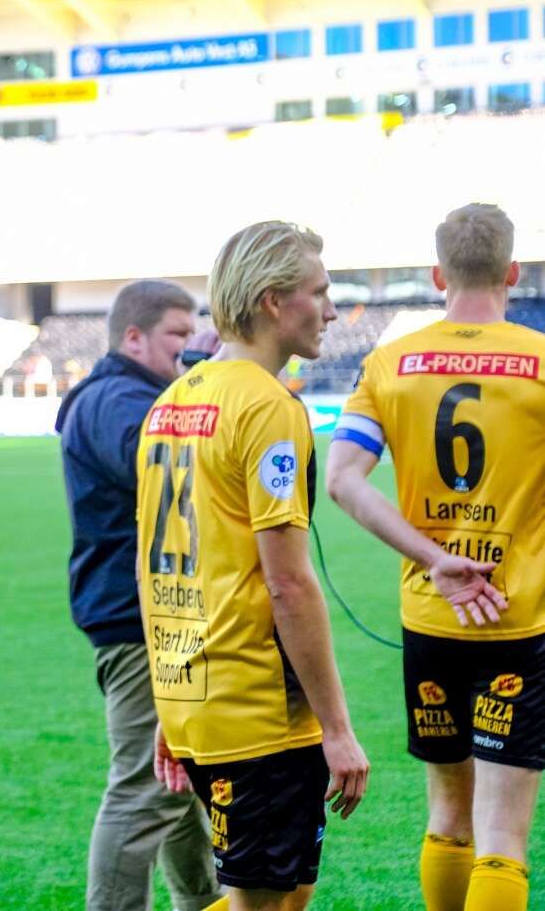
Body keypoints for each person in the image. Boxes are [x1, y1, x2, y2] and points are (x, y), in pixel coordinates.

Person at [139, 221, 369, 911]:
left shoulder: (171, 402)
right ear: (273, 301)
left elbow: (156, 567)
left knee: (287, 889)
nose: (330, 311)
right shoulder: (268, 408)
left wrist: (172, 693)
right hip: (255, 710)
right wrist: (337, 728)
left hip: (197, 694)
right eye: (318, 293)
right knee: (265, 900)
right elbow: (288, 582)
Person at [327, 203, 532, 911]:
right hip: (519, 613)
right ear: (512, 272)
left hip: (432, 611)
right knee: (502, 835)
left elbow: (343, 480)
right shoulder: (540, 362)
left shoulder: (389, 362)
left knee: (447, 815)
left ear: (437, 275)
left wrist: (433, 557)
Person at [56, 280, 220, 911]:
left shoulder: (127, 395)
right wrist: (207, 379)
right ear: (132, 337)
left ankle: (203, 902)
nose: (189, 345)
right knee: (145, 792)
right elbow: (163, 463)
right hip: (141, 621)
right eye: (178, 334)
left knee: (174, 782)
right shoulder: (116, 399)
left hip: (145, 613)